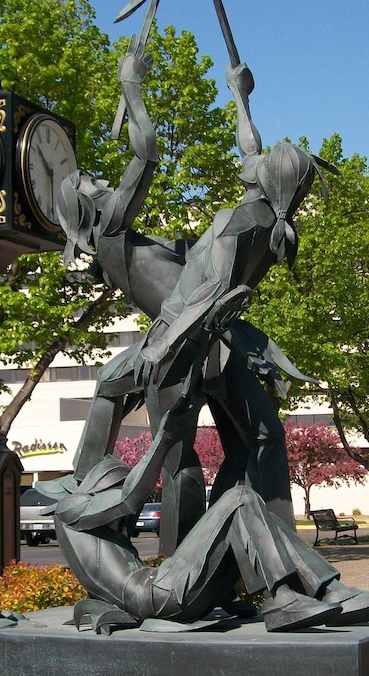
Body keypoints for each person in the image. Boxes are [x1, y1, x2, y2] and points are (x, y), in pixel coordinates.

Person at [55, 44, 331, 553]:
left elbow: (247, 157)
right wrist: (134, 87)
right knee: (249, 440)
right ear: (84, 210)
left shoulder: (244, 221)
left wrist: (234, 96)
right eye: (92, 182)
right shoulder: (115, 228)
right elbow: (149, 154)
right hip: (192, 339)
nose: (102, 181)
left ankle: (206, 547)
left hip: (194, 337)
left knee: (173, 435)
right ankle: (209, 549)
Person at [54, 399, 369, 632]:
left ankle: (329, 590)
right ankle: (283, 599)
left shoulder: (95, 526)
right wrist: (164, 439)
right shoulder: (70, 510)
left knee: (247, 506)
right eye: (117, 483)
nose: (123, 490)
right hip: (154, 595)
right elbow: (130, 498)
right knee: (238, 498)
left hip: (165, 591)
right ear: (95, 489)